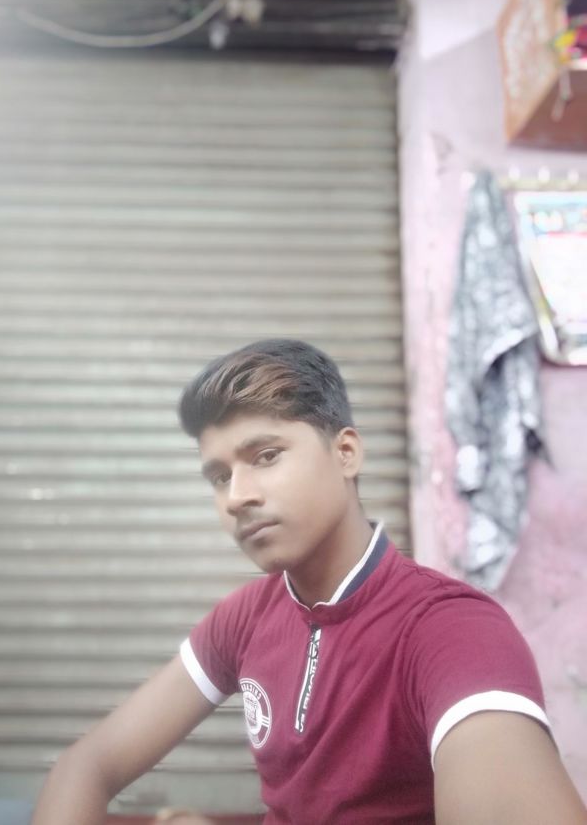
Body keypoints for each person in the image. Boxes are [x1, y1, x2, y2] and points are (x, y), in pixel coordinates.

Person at [32, 339, 587, 825]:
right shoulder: (246, 618)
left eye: (265, 456)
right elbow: (87, 766)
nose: (236, 497)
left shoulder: (451, 631)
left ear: (345, 453)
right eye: (219, 476)